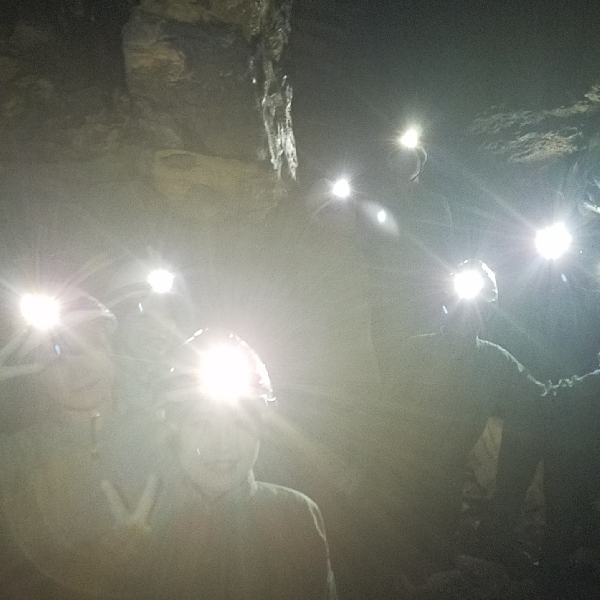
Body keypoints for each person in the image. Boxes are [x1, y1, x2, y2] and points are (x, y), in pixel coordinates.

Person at [362, 259, 546, 583]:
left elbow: (541, 398)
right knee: (390, 565)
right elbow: (384, 417)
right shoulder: (416, 350)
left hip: (446, 483)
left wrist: (587, 389)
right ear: (448, 301)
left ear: (489, 312)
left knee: (434, 565)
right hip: (400, 478)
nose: (470, 312)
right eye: (465, 302)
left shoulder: (494, 361)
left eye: (480, 306)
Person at [134, 327, 338, 600]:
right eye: (202, 423)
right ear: (174, 429)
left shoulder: (297, 516)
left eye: (239, 422)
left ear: (261, 428)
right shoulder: (141, 525)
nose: (222, 444)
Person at [0, 286, 165, 599]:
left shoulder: (168, 432)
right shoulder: (17, 455)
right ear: (34, 373)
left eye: (88, 347)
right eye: (55, 359)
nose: (77, 370)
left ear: (111, 348)